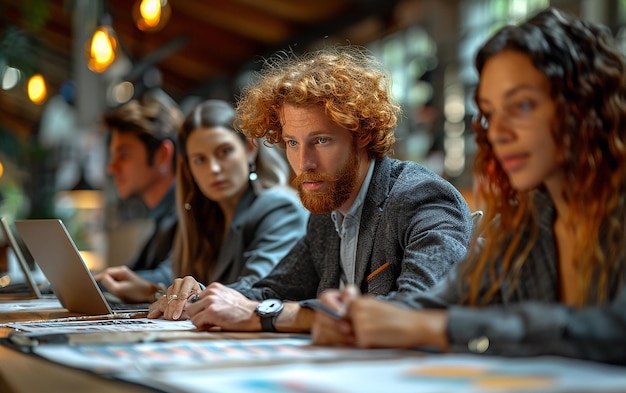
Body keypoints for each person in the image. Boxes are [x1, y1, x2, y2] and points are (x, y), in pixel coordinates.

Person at [311, 7, 626, 365]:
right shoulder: (522, 222)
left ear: (584, 104)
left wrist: (439, 329)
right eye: (490, 114)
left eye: (522, 105)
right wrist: (357, 316)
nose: (498, 134)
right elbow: (444, 302)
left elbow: (614, 329)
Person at [148, 45, 474, 333]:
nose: (304, 162)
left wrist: (270, 315)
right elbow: (270, 291)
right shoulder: (327, 213)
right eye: (292, 143)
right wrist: (202, 297)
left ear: (362, 134)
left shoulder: (422, 199)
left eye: (320, 140)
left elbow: (420, 311)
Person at [98, 99, 309, 304]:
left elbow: (258, 290)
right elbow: (174, 276)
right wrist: (152, 291)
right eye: (200, 159)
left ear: (249, 148)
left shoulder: (280, 207)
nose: (214, 169)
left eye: (224, 152)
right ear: (189, 168)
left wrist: (159, 295)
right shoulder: (202, 215)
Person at [94, 90, 182, 302]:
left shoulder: (187, 211)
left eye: (124, 155)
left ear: (162, 154)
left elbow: (168, 276)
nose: (111, 168)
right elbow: (134, 272)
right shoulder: (163, 215)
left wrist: (90, 283)